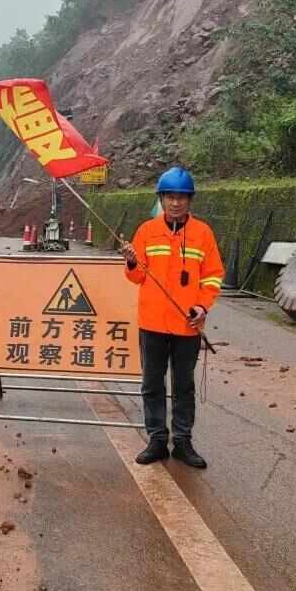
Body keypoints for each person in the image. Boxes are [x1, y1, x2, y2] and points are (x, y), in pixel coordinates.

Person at [120, 166, 224, 468]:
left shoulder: (203, 233)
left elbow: (214, 275)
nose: (175, 203)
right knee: (152, 383)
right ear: (161, 199)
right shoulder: (146, 231)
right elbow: (138, 276)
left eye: (181, 197)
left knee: (183, 385)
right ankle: (156, 438)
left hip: (187, 325)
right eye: (170, 197)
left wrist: (202, 307)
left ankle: (182, 441)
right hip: (152, 323)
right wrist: (130, 261)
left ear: (189, 200)